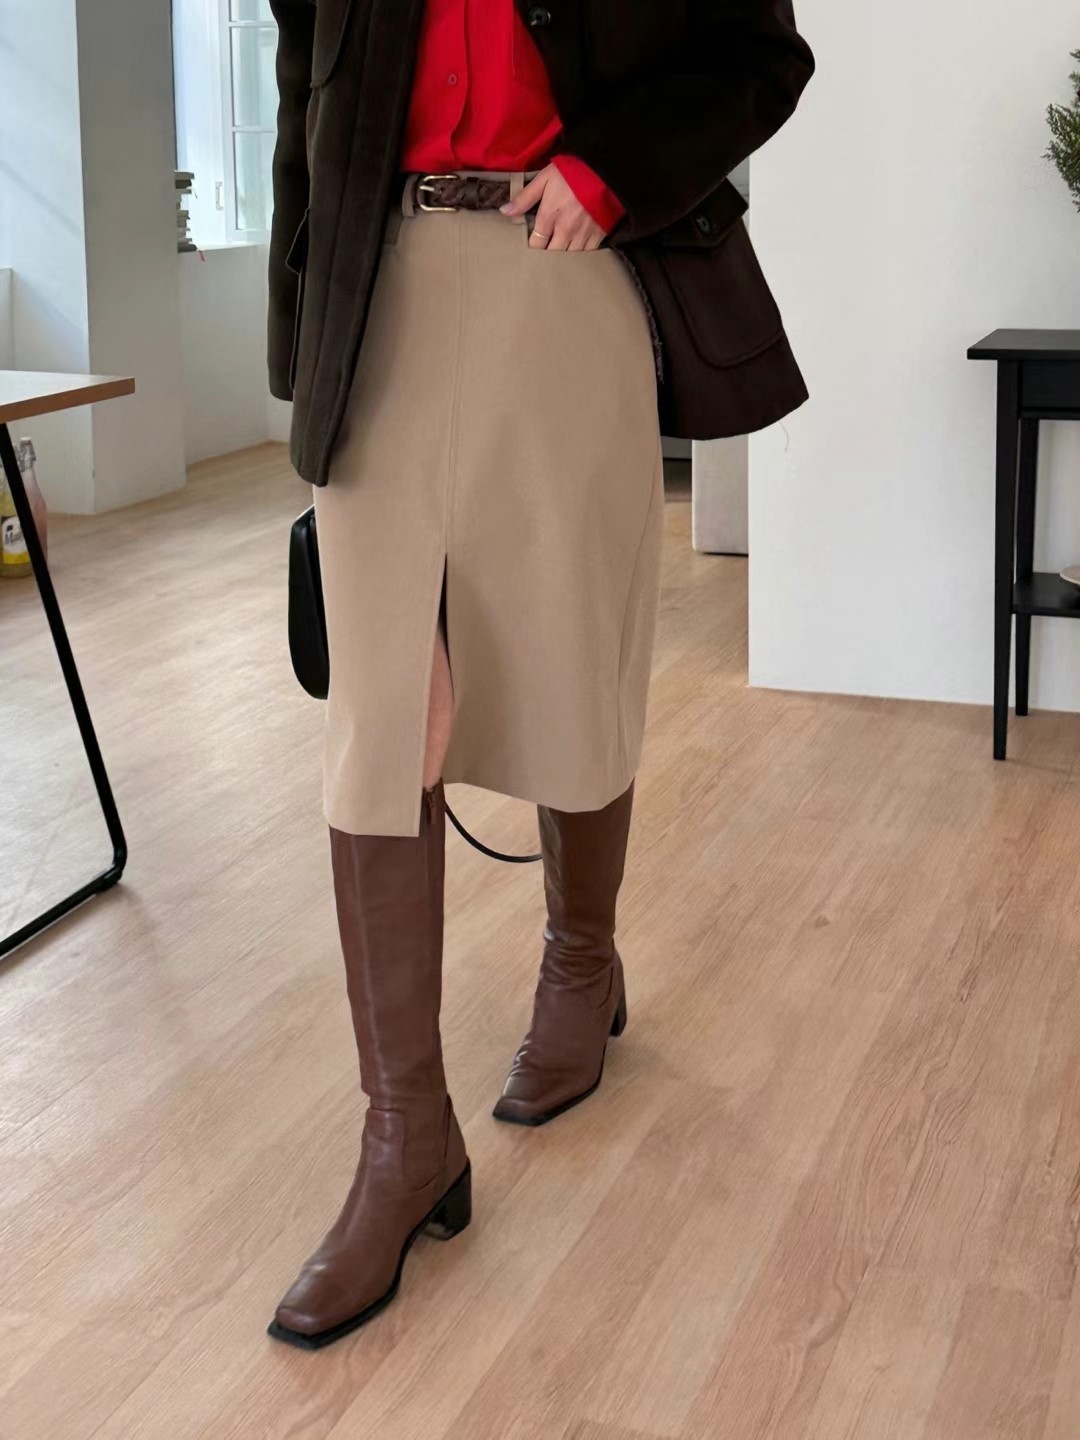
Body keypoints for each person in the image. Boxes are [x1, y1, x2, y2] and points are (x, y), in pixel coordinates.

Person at [265, 0, 814, 1349]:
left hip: (564, 267)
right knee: (384, 717)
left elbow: (759, 54)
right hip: (374, 289)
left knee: (572, 651)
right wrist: (297, 333)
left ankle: (581, 960)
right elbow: (302, 90)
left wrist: (609, 169)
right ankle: (407, 1137)